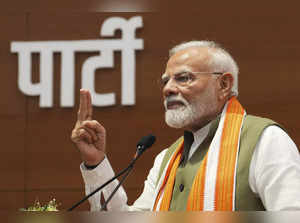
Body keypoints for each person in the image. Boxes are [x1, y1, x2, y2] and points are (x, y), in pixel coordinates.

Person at [71, 40, 300, 211]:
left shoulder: (265, 140)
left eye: (183, 78)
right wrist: (96, 163)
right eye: (165, 81)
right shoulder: (166, 159)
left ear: (223, 84)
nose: (167, 89)